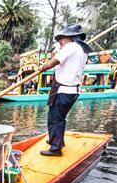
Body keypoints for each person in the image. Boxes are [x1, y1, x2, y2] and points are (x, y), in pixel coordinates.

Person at [39, 24, 93, 157]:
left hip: (64, 89)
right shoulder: (81, 51)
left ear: (70, 37)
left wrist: (42, 67)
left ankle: (56, 149)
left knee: (56, 118)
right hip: (72, 90)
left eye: (61, 38)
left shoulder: (70, 47)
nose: (60, 41)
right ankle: (56, 140)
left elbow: (53, 62)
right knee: (57, 117)